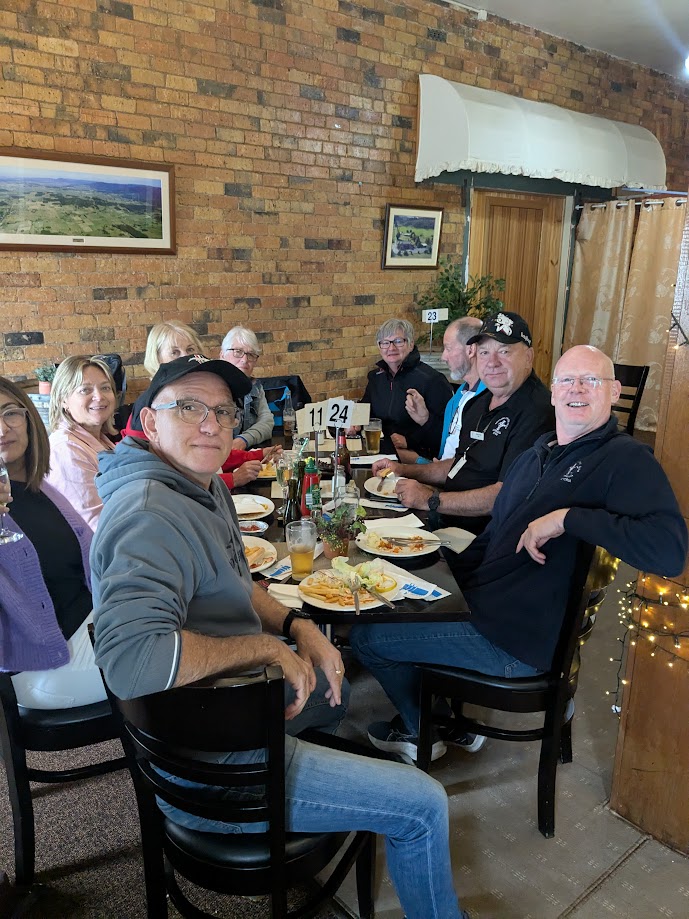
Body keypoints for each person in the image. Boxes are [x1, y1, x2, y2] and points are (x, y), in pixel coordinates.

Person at [91, 355, 469, 919]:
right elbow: (130, 661)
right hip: (210, 767)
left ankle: (320, 783)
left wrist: (298, 627)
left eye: (222, 411)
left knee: (332, 685)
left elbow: (240, 582)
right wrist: (268, 648)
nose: (211, 424)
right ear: (149, 423)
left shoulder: (200, 486)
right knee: (424, 805)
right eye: (188, 408)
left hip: (233, 709)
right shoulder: (149, 514)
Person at [351, 345, 688, 763]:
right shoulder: (541, 451)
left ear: (614, 391)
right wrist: (434, 563)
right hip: (486, 606)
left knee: (367, 637)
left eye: (591, 380)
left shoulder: (624, 458)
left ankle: (422, 730)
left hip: (515, 641)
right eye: (567, 380)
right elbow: (497, 535)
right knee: (393, 602)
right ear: (553, 392)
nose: (576, 389)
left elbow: (670, 551)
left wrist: (567, 518)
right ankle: (445, 720)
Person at [373, 311, 554, 535]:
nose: (492, 362)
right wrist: (403, 469)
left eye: (504, 351)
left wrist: (430, 499)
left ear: (528, 356)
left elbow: (505, 494)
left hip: (481, 535)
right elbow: (458, 464)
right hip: (448, 516)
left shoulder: (537, 411)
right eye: (485, 352)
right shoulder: (479, 402)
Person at [0, 377, 106, 708]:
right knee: (176, 656)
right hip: (49, 666)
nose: (2, 428)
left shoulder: (42, 488)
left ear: (28, 419)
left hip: (91, 629)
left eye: (10, 413)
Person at [393, 316, 486, 464]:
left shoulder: (490, 400)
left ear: (471, 350)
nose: (443, 357)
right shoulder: (459, 396)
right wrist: (424, 418)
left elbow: (475, 467)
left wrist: (418, 464)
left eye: (448, 348)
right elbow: (444, 448)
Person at [358, 318, 453, 458]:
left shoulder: (432, 380)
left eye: (398, 341)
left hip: (417, 455)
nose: (391, 348)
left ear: (411, 344)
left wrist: (410, 440)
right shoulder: (376, 378)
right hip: (379, 451)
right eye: (385, 343)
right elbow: (365, 411)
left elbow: (445, 430)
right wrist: (354, 424)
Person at [45, 356, 117, 531]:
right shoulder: (65, 450)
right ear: (63, 400)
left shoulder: (101, 441)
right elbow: (94, 524)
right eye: (85, 390)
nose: (99, 397)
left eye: (105, 388)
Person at [220, 326, 274, 449]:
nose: (244, 360)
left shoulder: (255, 387)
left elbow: (267, 422)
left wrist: (243, 440)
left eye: (251, 354)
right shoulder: (211, 386)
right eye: (238, 352)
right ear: (222, 355)